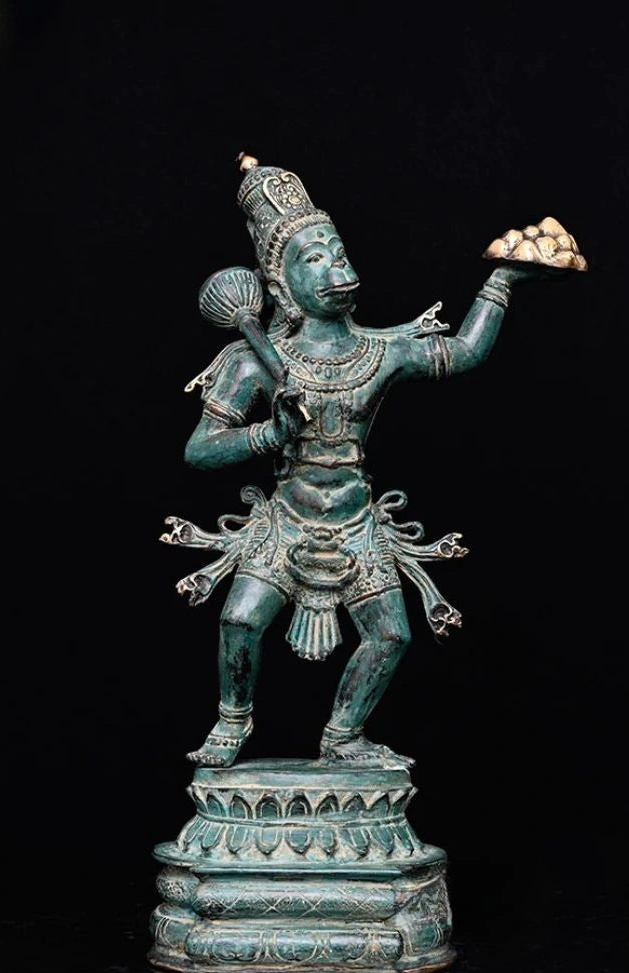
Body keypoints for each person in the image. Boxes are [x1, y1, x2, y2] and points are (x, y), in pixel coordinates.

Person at [161, 158, 522, 768]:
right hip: (286, 520)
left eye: (338, 251)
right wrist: (270, 433)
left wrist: (503, 281)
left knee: (392, 634)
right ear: (281, 285)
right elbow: (199, 449)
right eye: (314, 258)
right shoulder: (251, 362)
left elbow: (463, 350)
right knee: (239, 621)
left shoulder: (382, 351)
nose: (336, 267)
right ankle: (232, 720)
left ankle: (343, 735)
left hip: (357, 521)